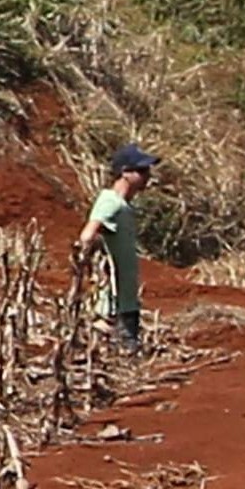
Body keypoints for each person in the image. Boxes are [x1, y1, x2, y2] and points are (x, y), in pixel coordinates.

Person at [75, 144, 157, 353]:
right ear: (125, 173)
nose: (148, 175)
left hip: (126, 300)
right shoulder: (110, 201)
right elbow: (87, 234)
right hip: (112, 303)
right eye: (142, 171)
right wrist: (90, 269)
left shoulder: (123, 206)